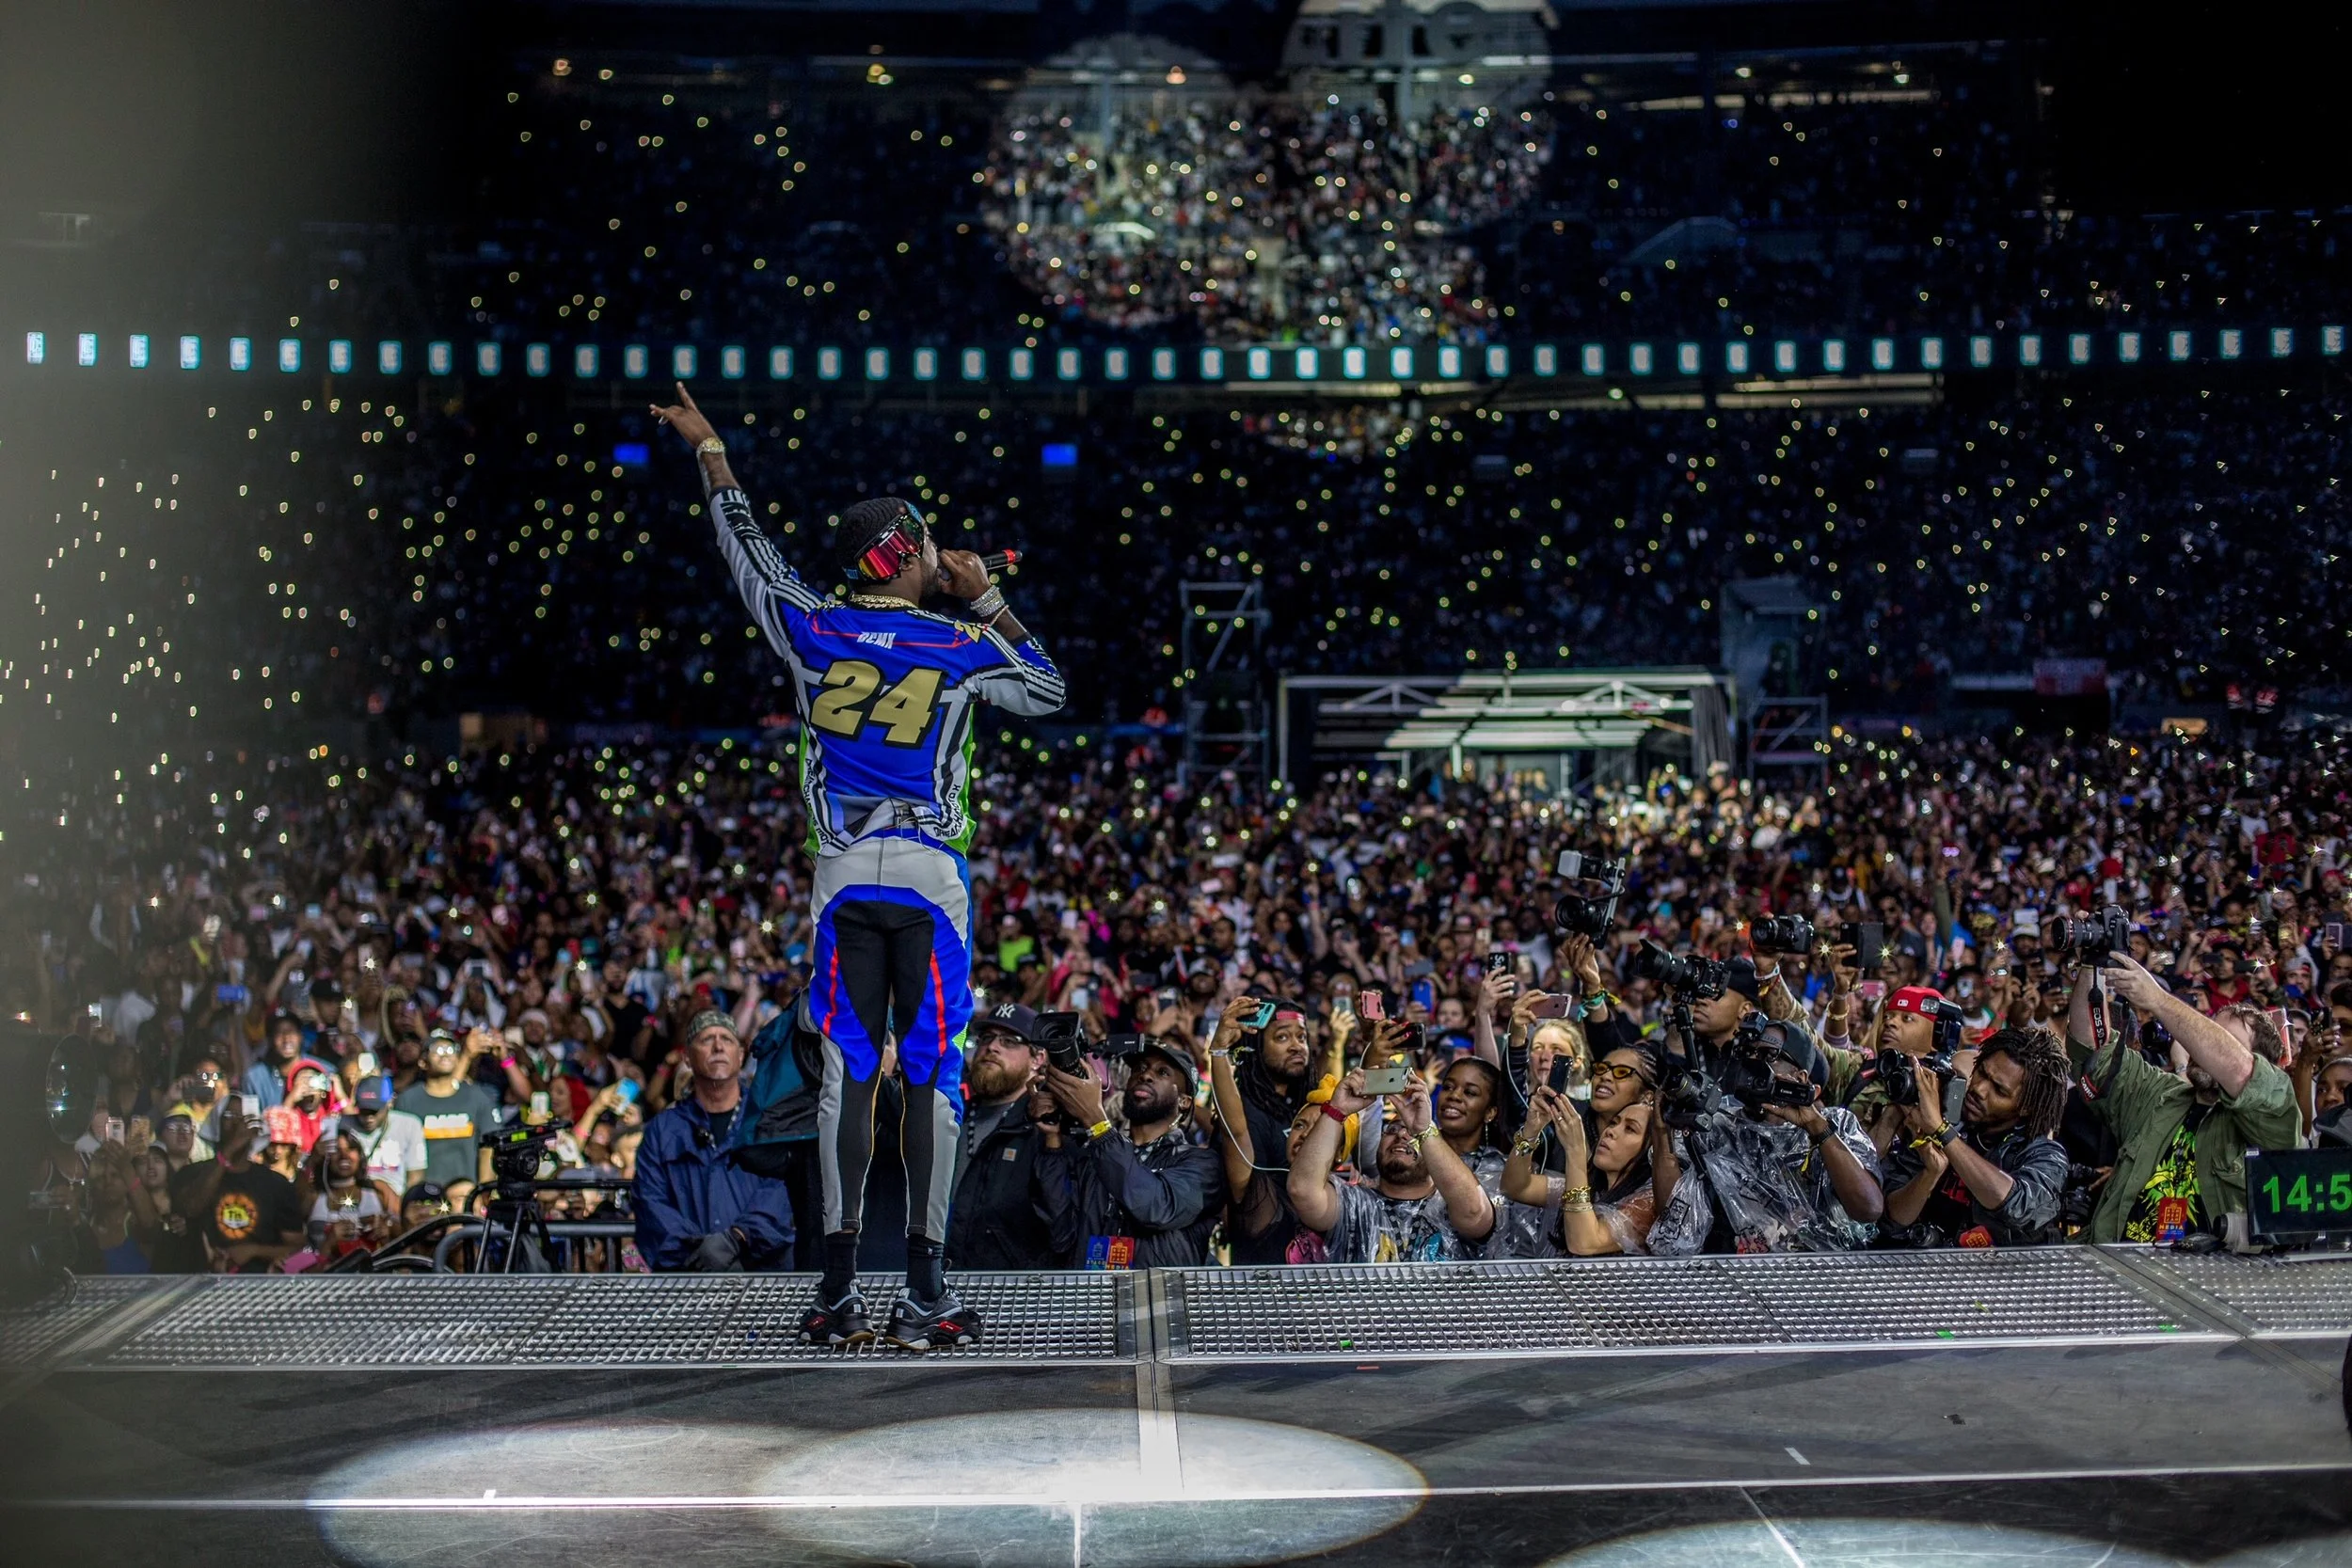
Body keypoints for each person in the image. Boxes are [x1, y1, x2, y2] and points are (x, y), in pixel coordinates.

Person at [655, 381, 1064, 1352]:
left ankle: (836, 1293)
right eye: (925, 547)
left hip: (842, 875)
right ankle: (924, 1293)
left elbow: (744, 550)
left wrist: (712, 448)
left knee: (845, 1071)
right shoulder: (960, 645)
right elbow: (1046, 690)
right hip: (930, 874)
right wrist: (989, 596)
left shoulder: (810, 625)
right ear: (907, 554)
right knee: (931, 1076)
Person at [2066, 952, 2299, 1243]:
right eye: (2204, 1035)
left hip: (2210, 1277)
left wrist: (2159, 1000)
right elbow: (2091, 1051)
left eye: (2222, 1042)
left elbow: (2241, 1072)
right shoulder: (2160, 1093)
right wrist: (2092, 962)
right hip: (2119, 1264)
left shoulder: (2274, 1115)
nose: (2200, 1048)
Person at [1647, 1023, 1884, 1256]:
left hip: (1823, 1279)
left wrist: (1816, 1127)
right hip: (1740, 1278)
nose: (1752, 1062)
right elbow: (1675, 1233)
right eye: (1747, 1052)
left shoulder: (1836, 1124)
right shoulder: (1717, 1130)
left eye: (1768, 1055)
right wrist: (1661, 1135)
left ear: (1800, 1077)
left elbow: (1869, 1209)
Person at [1037, 1037, 1226, 1269]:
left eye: (1163, 1073)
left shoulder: (1202, 1164)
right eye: (1140, 1068)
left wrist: (1096, 1121)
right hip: (1093, 1299)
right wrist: (1053, 1140)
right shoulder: (1095, 1154)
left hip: (1160, 1301)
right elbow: (1061, 1235)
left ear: (1185, 1102)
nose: (1145, 1075)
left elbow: (1155, 1208)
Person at [633, 1010, 797, 1275]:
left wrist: (738, 1238)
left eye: (727, 1040)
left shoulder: (768, 1119)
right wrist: (699, 1250)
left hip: (764, 1277)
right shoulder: (662, 1130)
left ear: (741, 1056)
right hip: (689, 1280)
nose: (718, 1046)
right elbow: (650, 1202)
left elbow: (782, 1190)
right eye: (707, 1039)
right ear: (687, 1057)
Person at [1879, 1026, 2073, 1247]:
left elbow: (2017, 1206)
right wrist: (1928, 1175)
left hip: (1996, 1277)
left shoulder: (2044, 1155)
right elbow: (1891, 1220)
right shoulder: (1950, 1119)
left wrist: (1943, 1132)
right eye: (1981, 1072)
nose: (1979, 1089)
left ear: (2026, 1107)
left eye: (1999, 1090)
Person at [1288, 1068, 1498, 1262]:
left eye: (1413, 1134)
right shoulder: (1352, 1204)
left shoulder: (1450, 1206)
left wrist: (1424, 1129)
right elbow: (1303, 1190)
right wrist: (1336, 1110)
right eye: (1392, 1129)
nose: (1401, 1135)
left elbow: (1474, 1211)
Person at [944, 1003, 1061, 1271]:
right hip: (941, 1279)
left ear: (1037, 1059)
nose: (992, 1047)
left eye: (1010, 1041)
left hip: (1012, 1289)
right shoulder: (950, 1114)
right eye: (986, 1038)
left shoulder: (1047, 1127)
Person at [1204, 994, 1316, 1264]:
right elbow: (1237, 1139)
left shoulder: (1302, 1109)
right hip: (1262, 1273)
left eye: (1302, 1038)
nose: (1296, 1047)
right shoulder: (1246, 1112)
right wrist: (1219, 1051)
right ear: (1256, 1046)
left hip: (1315, 1272)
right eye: (1282, 1038)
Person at [167, 1101, 305, 1273]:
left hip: (259, 1288)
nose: (237, 1124)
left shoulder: (276, 1184)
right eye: (229, 1117)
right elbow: (190, 1208)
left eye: (243, 1118)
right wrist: (228, 1152)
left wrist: (254, 1251)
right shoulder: (192, 1173)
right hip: (203, 1286)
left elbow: (303, 1251)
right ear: (217, 1124)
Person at [392, 1030, 501, 1198]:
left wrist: (483, 1193)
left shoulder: (477, 1097)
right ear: (423, 1062)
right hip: (423, 1197)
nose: (445, 1055)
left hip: (465, 1195)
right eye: (437, 1050)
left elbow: (488, 1149)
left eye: (451, 1050)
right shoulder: (408, 1100)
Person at [338, 1074, 428, 1196]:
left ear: (390, 1103)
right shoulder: (340, 1124)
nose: (369, 1117)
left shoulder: (410, 1125)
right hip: (353, 1198)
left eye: (374, 1111)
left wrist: (402, 1208)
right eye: (364, 1110)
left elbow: (415, 1176)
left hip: (394, 1200)